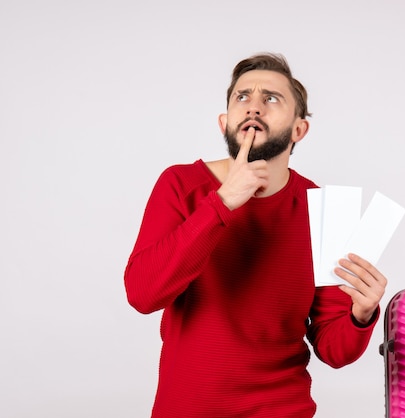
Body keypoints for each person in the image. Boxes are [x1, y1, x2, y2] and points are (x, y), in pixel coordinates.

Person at [124, 53, 388, 417]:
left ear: (299, 130)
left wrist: (361, 314)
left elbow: (333, 350)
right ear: (224, 122)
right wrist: (223, 202)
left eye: (272, 99)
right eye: (242, 97)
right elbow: (143, 294)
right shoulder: (180, 184)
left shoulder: (327, 209)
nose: (254, 107)